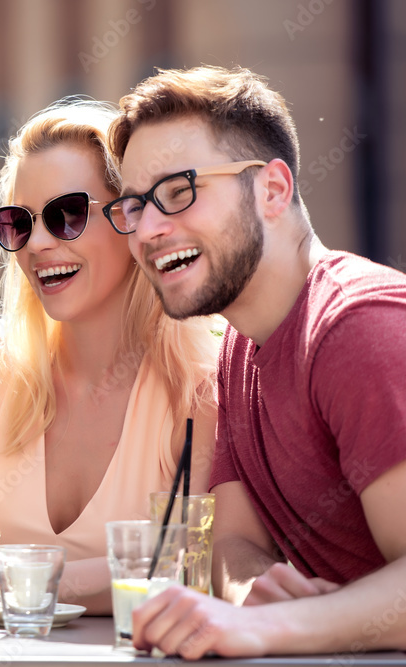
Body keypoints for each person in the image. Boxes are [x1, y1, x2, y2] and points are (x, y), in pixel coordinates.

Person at [0, 99, 220, 612]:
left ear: (130, 217)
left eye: (67, 215)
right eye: (18, 224)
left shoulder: (203, 386)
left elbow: (187, 568)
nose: (39, 244)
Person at [108, 65, 406, 658]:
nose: (148, 229)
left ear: (272, 189)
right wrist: (251, 596)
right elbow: (235, 540)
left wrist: (266, 629)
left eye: (178, 192)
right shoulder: (239, 347)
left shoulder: (358, 327)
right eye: (136, 206)